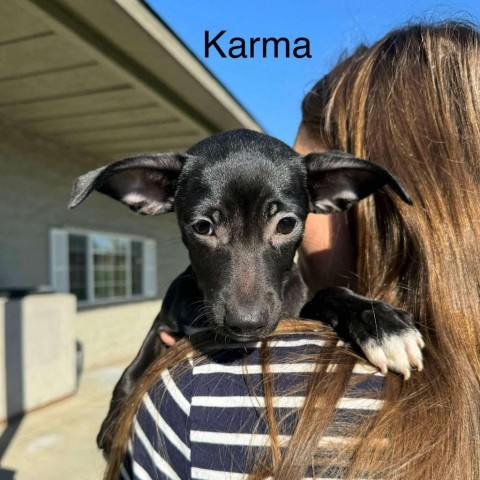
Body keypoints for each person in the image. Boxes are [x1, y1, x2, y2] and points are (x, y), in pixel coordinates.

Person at [105, 21, 480, 479]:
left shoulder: (190, 401)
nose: (245, 311)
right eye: (206, 227)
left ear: (339, 193)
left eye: (286, 224)